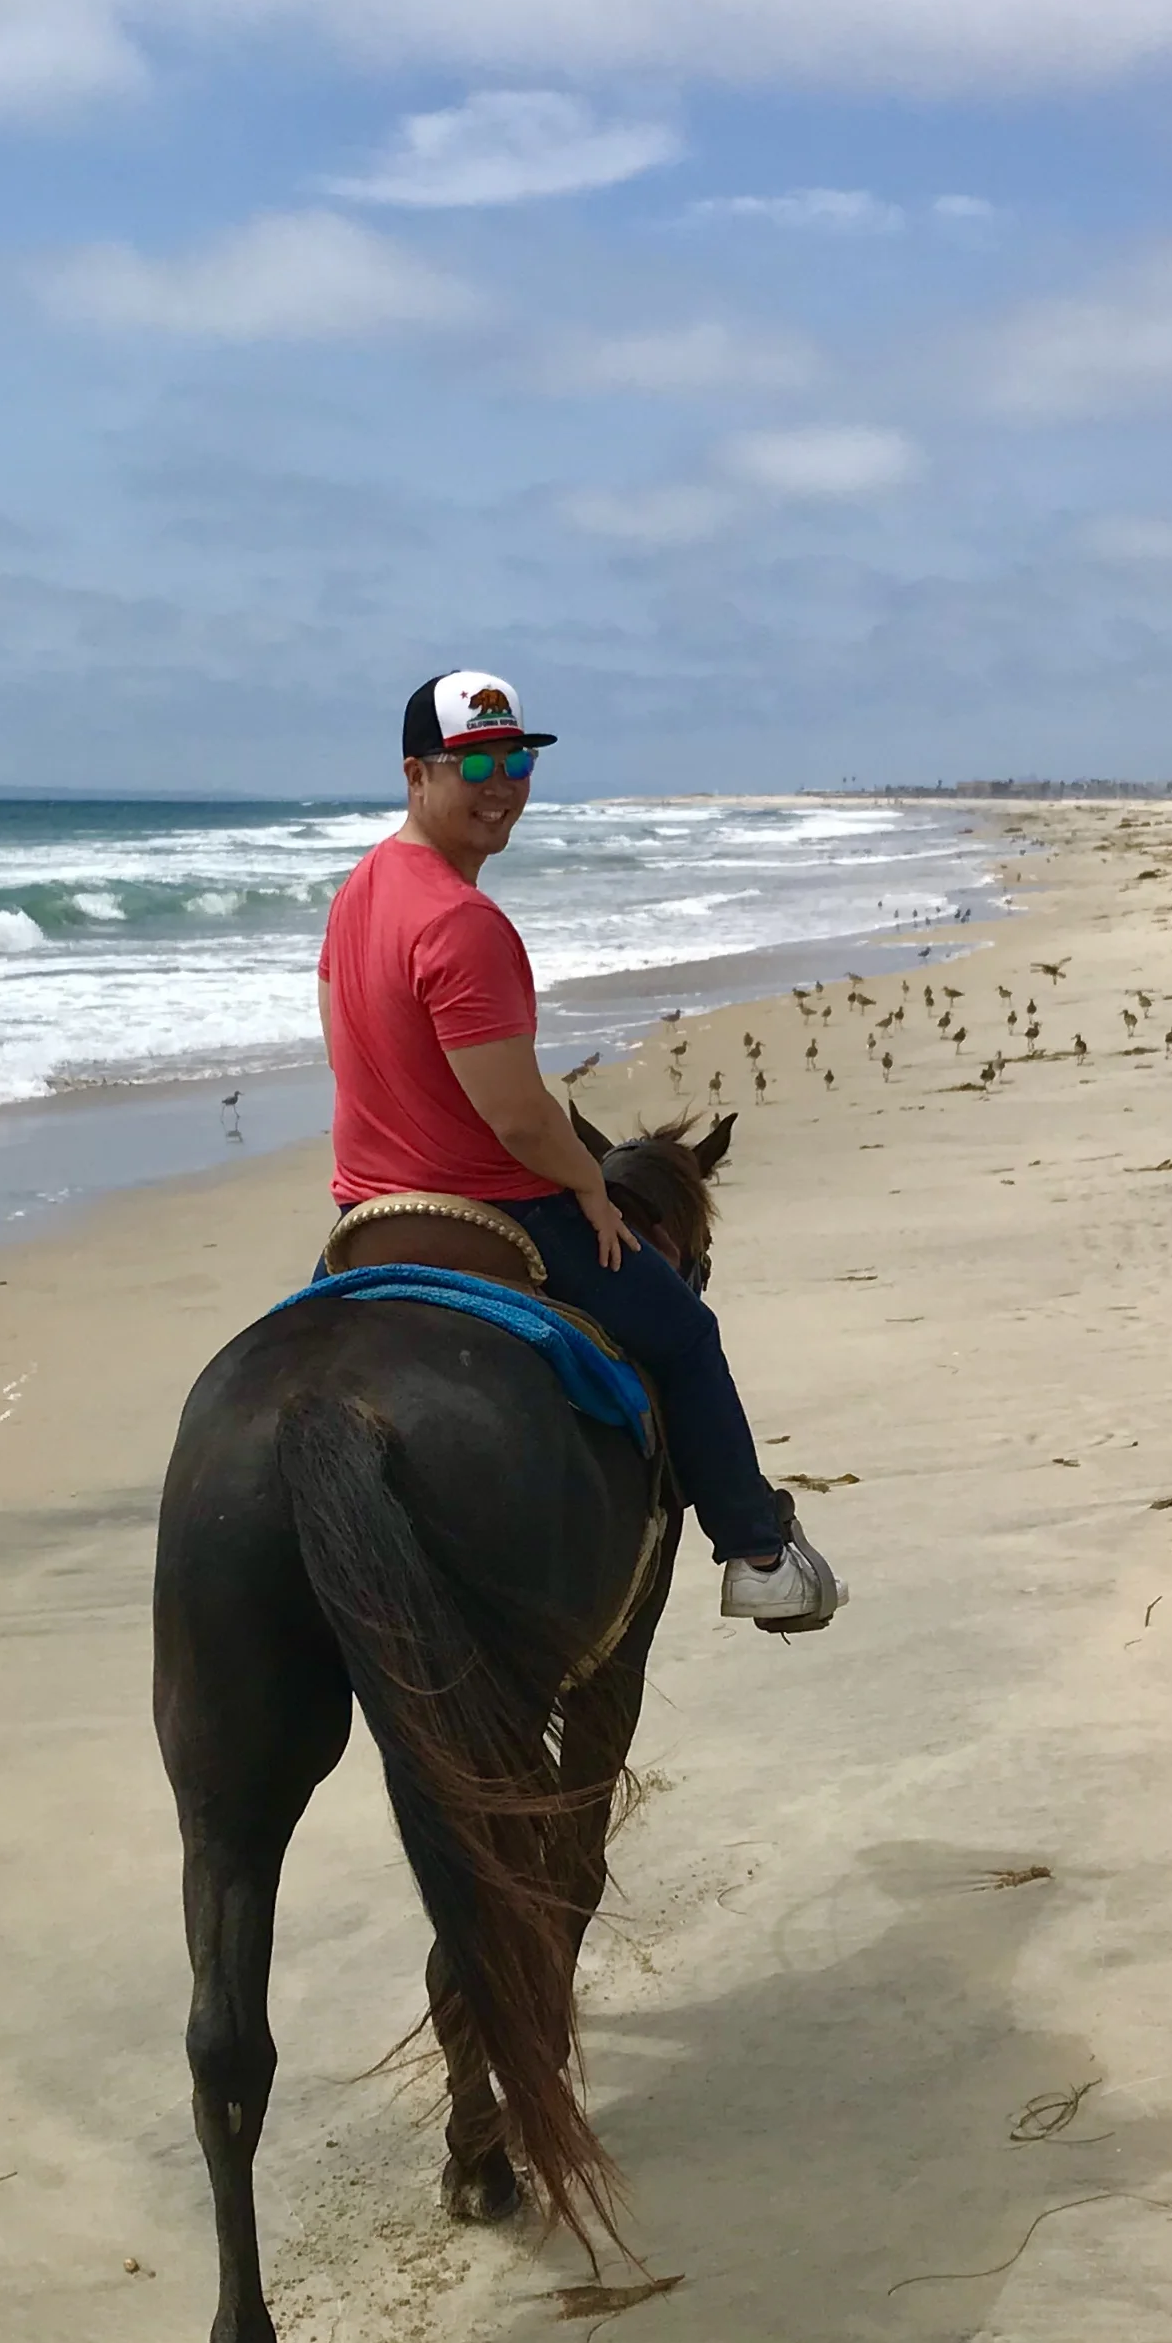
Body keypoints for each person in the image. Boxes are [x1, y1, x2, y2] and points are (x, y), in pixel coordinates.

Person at [316, 670, 845, 1632]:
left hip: (365, 1220)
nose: (501, 783)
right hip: (491, 1212)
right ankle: (760, 1557)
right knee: (685, 1334)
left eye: (516, 759)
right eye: (472, 762)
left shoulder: (359, 893)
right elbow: (519, 1117)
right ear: (414, 773)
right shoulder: (462, 922)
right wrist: (590, 1193)